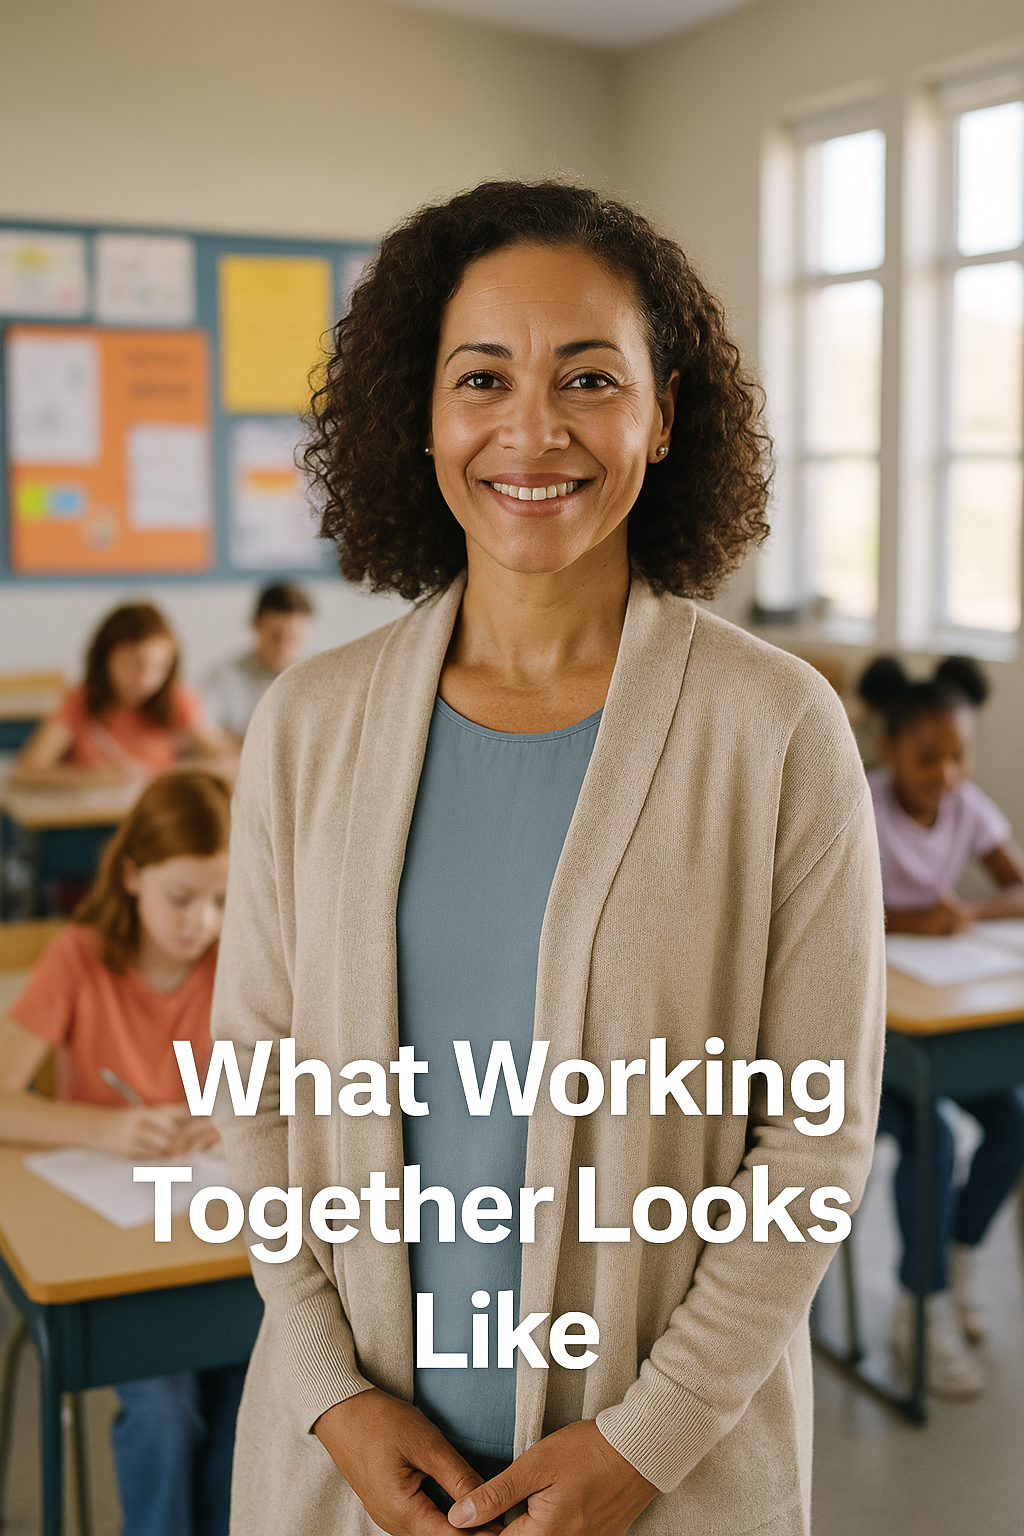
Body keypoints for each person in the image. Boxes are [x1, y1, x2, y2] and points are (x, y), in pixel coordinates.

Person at [212, 180, 886, 1536]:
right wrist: (331, 1394)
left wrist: (647, 1442)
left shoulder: (775, 727)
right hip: (349, 1474)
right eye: (482, 379)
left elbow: (813, 1139)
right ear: (421, 414)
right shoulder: (309, 724)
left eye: (589, 378)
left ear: (663, 413)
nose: (533, 430)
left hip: (667, 1480)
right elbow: (258, 1088)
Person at [0, 771, 244, 1536]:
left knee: (256, 1393)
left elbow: (287, 1084)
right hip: (105, 1249)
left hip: (207, 1240)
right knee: (167, 1407)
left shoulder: (235, 962)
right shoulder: (79, 959)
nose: (202, 922)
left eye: (222, 899)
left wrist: (232, 1118)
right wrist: (101, 1129)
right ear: (132, 873)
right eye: (181, 898)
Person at [859, 655, 1024, 1399]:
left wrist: (968, 913)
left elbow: (1016, 889)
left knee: (1014, 1122)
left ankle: (956, 1261)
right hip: (873, 1039)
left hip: (943, 1020)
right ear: (891, 748)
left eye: (960, 756)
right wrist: (909, 920)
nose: (947, 775)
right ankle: (918, 1306)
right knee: (935, 1138)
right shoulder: (860, 805)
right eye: (929, 758)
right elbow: (819, 912)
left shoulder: (966, 806)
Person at [12, 602, 235, 787]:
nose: (146, 679)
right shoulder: (80, 700)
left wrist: (178, 773)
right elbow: (25, 773)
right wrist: (89, 778)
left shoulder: (176, 699)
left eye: (160, 667)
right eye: (134, 665)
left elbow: (226, 757)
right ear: (105, 659)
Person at [204, 582, 314, 743]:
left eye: (293, 638)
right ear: (255, 626)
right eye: (276, 636)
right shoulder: (225, 676)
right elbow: (205, 734)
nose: (283, 647)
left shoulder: (323, 677)